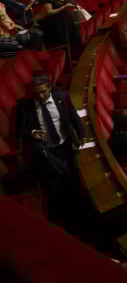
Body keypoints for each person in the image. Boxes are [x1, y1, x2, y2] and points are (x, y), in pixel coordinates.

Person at [16, 76, 85, 227]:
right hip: (45, 150)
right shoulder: (24, 106)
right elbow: (20, 130)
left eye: (43, 92)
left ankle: (78, 212)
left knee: (71, 177)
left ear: (50, 88)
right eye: (36, 94)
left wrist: (81, 134)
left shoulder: (63, 97)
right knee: (54, 182)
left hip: (65, 144)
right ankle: (57, 220)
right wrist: (32, 132)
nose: (40, 96)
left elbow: (73, 117)